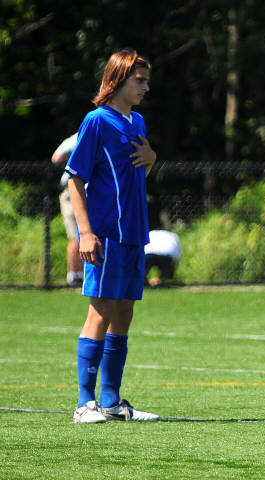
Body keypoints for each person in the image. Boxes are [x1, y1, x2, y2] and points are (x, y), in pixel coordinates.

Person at [66, 48, 159, 423]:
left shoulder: (138, 122)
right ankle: (84, 403)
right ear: (118, 78)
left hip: (134, 234)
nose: (145, 87)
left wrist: (151, 160)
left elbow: (131, 176)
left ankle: (111, 402)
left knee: (124, 312)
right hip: (105, 235)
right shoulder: (96, 121)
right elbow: (75, 178)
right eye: (140, 80)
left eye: (147, 81)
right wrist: (86, 233)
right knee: (101, 310)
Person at [51, 133, 84, 287]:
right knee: (76, 237)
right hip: (72, 192)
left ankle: (85, 274)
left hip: (91, 193)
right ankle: (74, 276)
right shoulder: (78, 138)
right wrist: (81, 156)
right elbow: (56, 157)